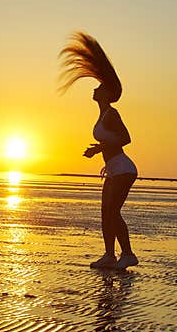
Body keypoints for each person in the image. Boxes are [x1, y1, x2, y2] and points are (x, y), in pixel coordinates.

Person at [59, 31, 139, 270]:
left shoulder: (112, 114)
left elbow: (126, 138)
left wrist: (99, 149)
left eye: (98, 87)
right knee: (105, 213)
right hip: (114, 169)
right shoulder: (103, 114)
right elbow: (114, 141)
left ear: (106, 94)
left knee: (113, 212)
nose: (94, 89)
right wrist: (99, 148)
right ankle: (109, 255)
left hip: (123, 168)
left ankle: (128, 255)